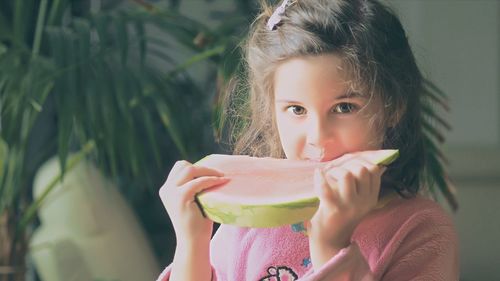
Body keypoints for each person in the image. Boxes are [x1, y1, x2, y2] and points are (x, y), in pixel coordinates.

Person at [157, 0, 459, 280]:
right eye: (296, 109)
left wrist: (332, 248)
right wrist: (192, 242)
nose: (318, 137)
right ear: (271, 110)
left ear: (393, 106)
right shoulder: (246, 218)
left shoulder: (422, 231)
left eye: (344, 108)